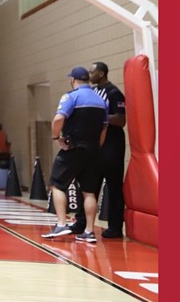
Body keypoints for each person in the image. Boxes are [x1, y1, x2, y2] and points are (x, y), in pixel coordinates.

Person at [42, 66, 109, 244]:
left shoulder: (71, 96)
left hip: (74, 148)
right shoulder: (101, 100)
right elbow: (104, 128)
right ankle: (89, 231)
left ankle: (62, 224)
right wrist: (97, 146)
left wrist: (57, 138)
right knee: (89, 192)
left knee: (56, 185)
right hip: (94, 150)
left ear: (73, 80)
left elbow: (58, 119)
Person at [70, 61, 127, 239]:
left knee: (114, 187)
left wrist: (99, 117)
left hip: (112, 147)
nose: (89, 75)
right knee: (88, 186)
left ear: (101, 74)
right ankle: (82, 223)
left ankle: (115, 227)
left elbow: (121, 120)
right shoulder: (93, 93)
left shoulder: (114, 93)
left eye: (92, 72)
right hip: (95, 147)